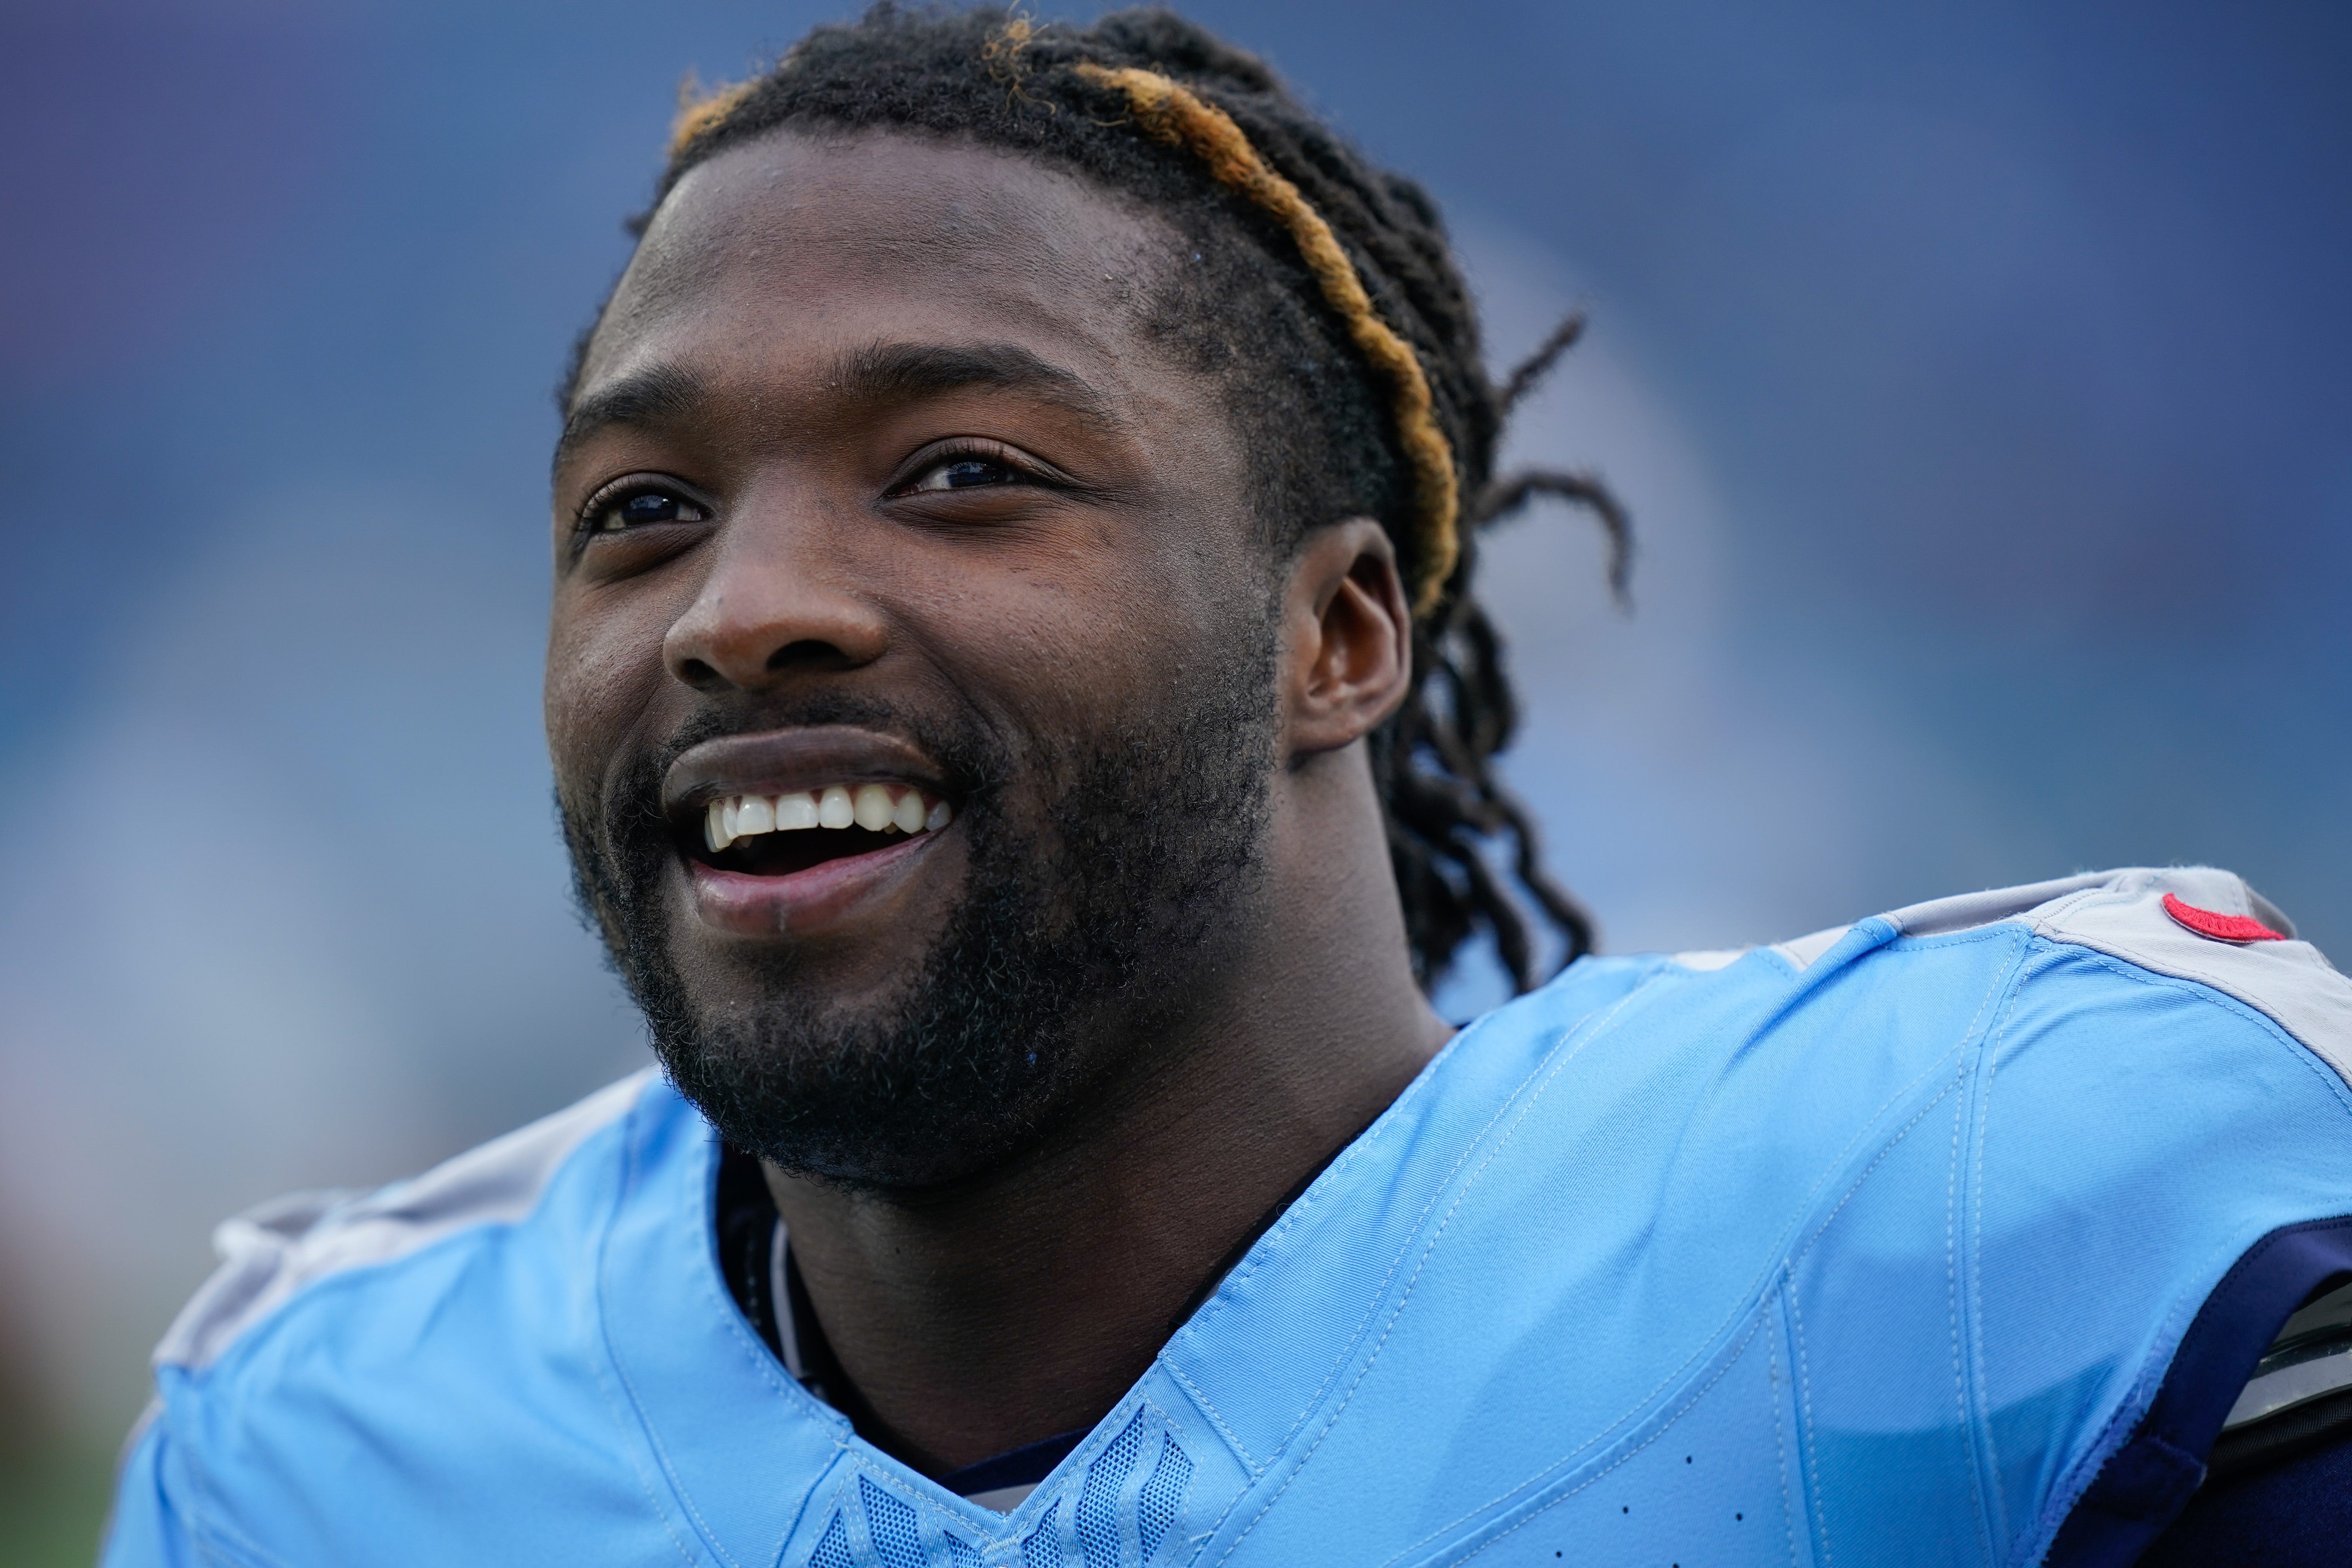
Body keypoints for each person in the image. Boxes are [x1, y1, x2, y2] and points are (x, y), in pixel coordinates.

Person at [100, 8, 2352, 1565]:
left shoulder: (1989, 1218)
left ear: (1339, 633)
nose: (741, 607)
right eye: (639, 516)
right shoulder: (321, 1455)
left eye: (962, 473)